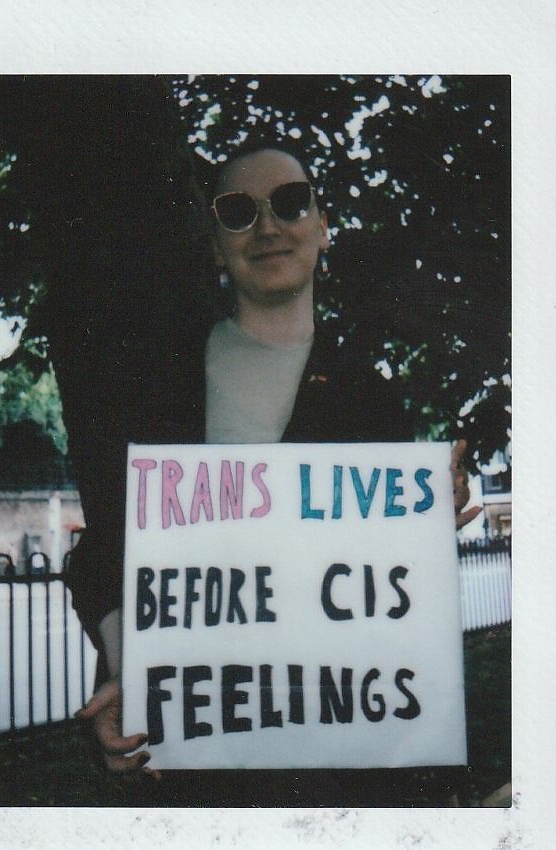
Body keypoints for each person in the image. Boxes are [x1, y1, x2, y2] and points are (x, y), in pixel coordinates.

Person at [72, 144, 480, 800]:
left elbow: (371, 586)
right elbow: (101, 553)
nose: (266, 226)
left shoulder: (368, 398)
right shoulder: (154, 390)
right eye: (237, 212)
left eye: (289, 203)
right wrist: (132, 670)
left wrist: (420, 529)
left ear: (322, 226)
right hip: (197, 763)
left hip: (336, 771)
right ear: (214, 246)